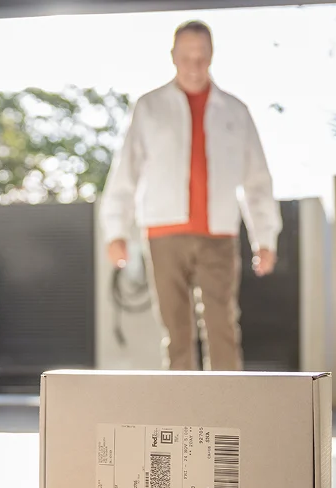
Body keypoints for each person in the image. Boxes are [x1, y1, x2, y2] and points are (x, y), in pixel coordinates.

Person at [99, 20, 282, 371]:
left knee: (222, 326)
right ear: (173, 56)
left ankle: (227, 403)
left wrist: (265, 238)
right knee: (176, 333)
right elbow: (126, 173)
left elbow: (257, 180)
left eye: (202, 58)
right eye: (186, 58)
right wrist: (116, 231)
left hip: (219, 235)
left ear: (212, 55)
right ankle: (181, 404)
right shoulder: (149, 107)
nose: (194, 66)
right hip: (163, 233)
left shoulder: (235, 111)